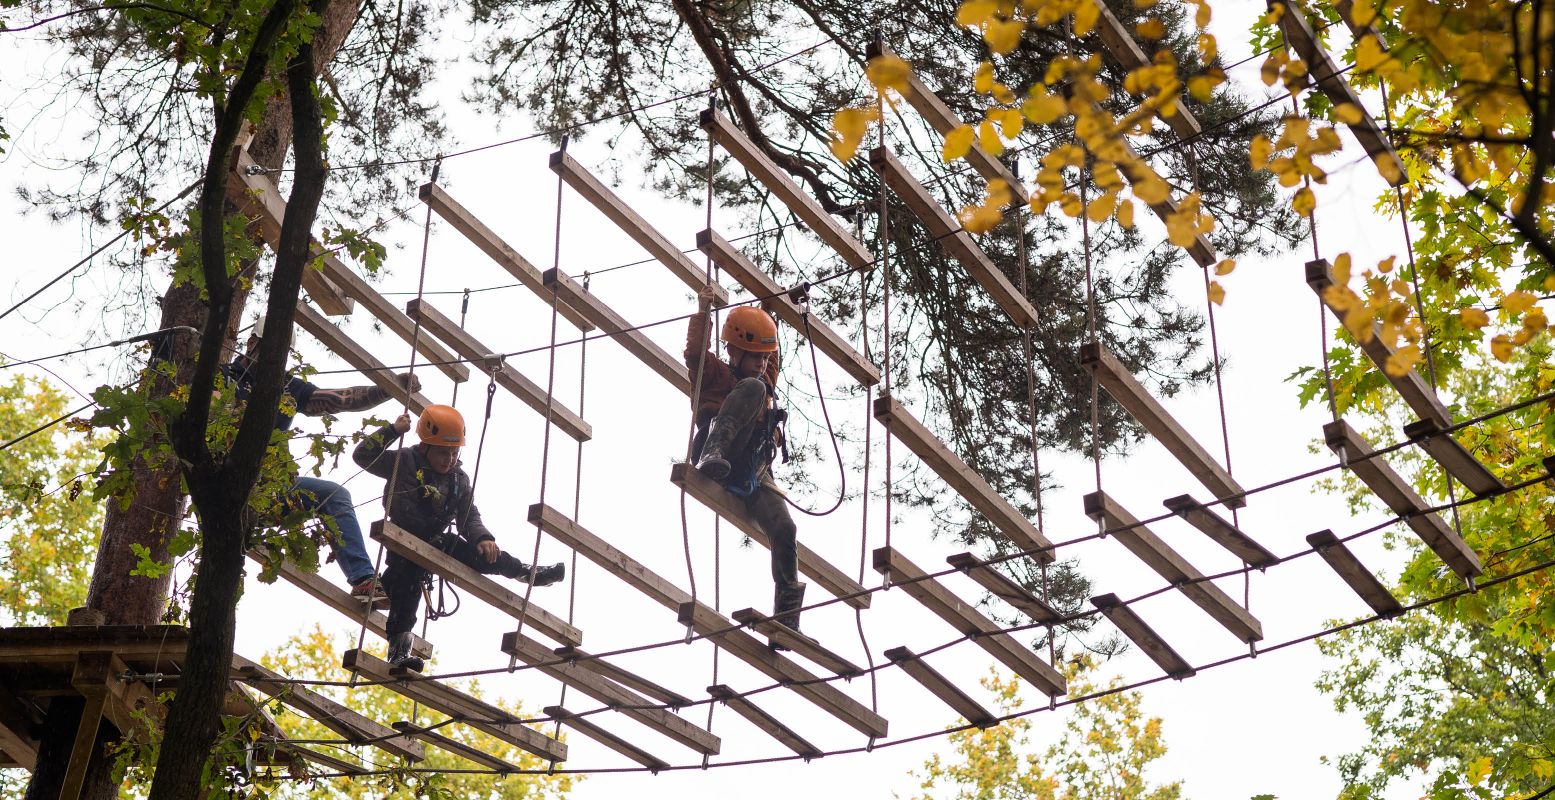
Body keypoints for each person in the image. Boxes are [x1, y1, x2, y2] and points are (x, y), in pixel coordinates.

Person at [354, 404, 565, 671]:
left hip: (438, 541)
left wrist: (482, 538)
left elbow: (468, 516)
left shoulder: (458, 479)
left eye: (454, 452)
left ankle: (527, 573)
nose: (449, 459)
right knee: (407, 586)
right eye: (443, 452)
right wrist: (393, 430)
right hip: (404, 542)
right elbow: (363, 455)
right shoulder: (403, 461)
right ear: (425, 447)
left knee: (485, 555)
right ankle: (398, 652)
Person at [223, 313, 419, 601]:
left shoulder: (288, 386)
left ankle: (363, 580)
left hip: (273, 491)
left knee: (334, 495)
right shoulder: (223, 379)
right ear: (251, 343)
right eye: (269, 350)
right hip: (229, 490)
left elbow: (340, 400)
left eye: (282, 355)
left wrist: (387, 389)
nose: (276, 360)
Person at [685, 285, 806, 643]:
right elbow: (695, 353)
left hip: (751, 469)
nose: (763, 364)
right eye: (755, 357)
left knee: (785, 530)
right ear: (733, 352)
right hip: (720, 449)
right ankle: (713, 453)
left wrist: (775, 309)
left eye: (765, 358)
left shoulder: (763, 375)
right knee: (754, 389)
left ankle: (786, 616)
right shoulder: (716, 376)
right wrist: (704, 309)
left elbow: (772, 353)